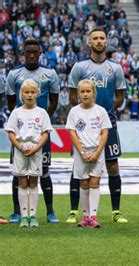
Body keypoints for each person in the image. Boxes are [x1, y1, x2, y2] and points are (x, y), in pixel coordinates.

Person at [67, 28, 128, 224]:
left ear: (106, 42)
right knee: (79, 166)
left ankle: (115, 211)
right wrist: (85, 113)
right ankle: (75, 211)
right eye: (96, 38)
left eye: (102, 38)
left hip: (106, 123)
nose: (99, 41)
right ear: (89, 42)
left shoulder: (115, 68)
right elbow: (71, 95)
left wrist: (105, 112)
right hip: (84, 126)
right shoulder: (79, 67)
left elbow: (120, 96)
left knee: (112, 165)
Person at [4, 39, 60, 224]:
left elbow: (54, 101)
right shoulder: (14, 74)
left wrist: (43, 120)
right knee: (18, 173)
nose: (31, 55)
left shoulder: (50, 74)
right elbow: (12, 103)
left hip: (40, 133)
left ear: (40, 52)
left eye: (35, 52)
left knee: (44, 171)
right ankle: (16, 212)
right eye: (28, 52)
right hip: (21, 135)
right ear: (23, 53)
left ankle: (50, 212)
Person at [5, 79, 53, 227]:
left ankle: (33, 216)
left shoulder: (42, 112)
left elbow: (45, 133)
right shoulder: (16, 112)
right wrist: (19, 147)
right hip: (20, 151)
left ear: (37, 94)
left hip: (36, 150)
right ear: (22, 94)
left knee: (33, 181)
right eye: (27, 92)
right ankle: (24, 216)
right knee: (22, 182)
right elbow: (11, 133)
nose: (30, 95)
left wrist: (37, 147)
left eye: (32, 92)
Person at [66, 80, 111, 228]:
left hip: (97, 152)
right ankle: (85, 216)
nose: (85, 94)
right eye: (82, 91)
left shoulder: (101, 111)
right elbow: (72, 133)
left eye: (88, 91)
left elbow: (105, 133)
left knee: (94, 182)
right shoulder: (74, 112)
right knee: (83, 183)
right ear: (78, 93)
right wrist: (83, 152)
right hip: (81, 153)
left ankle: (93, 216)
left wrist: (97, 152)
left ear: (94, 93)